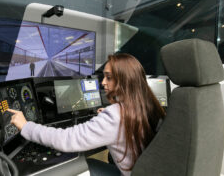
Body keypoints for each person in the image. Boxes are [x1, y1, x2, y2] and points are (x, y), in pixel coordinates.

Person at [9, 53, 165, 176]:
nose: (103, 82)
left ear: (125, 80)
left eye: (109, 78)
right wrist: (109, 119)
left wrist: (26, 126)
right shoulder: (147, 105)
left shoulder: (116, 116)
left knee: (81, 166)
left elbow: (67, 140)